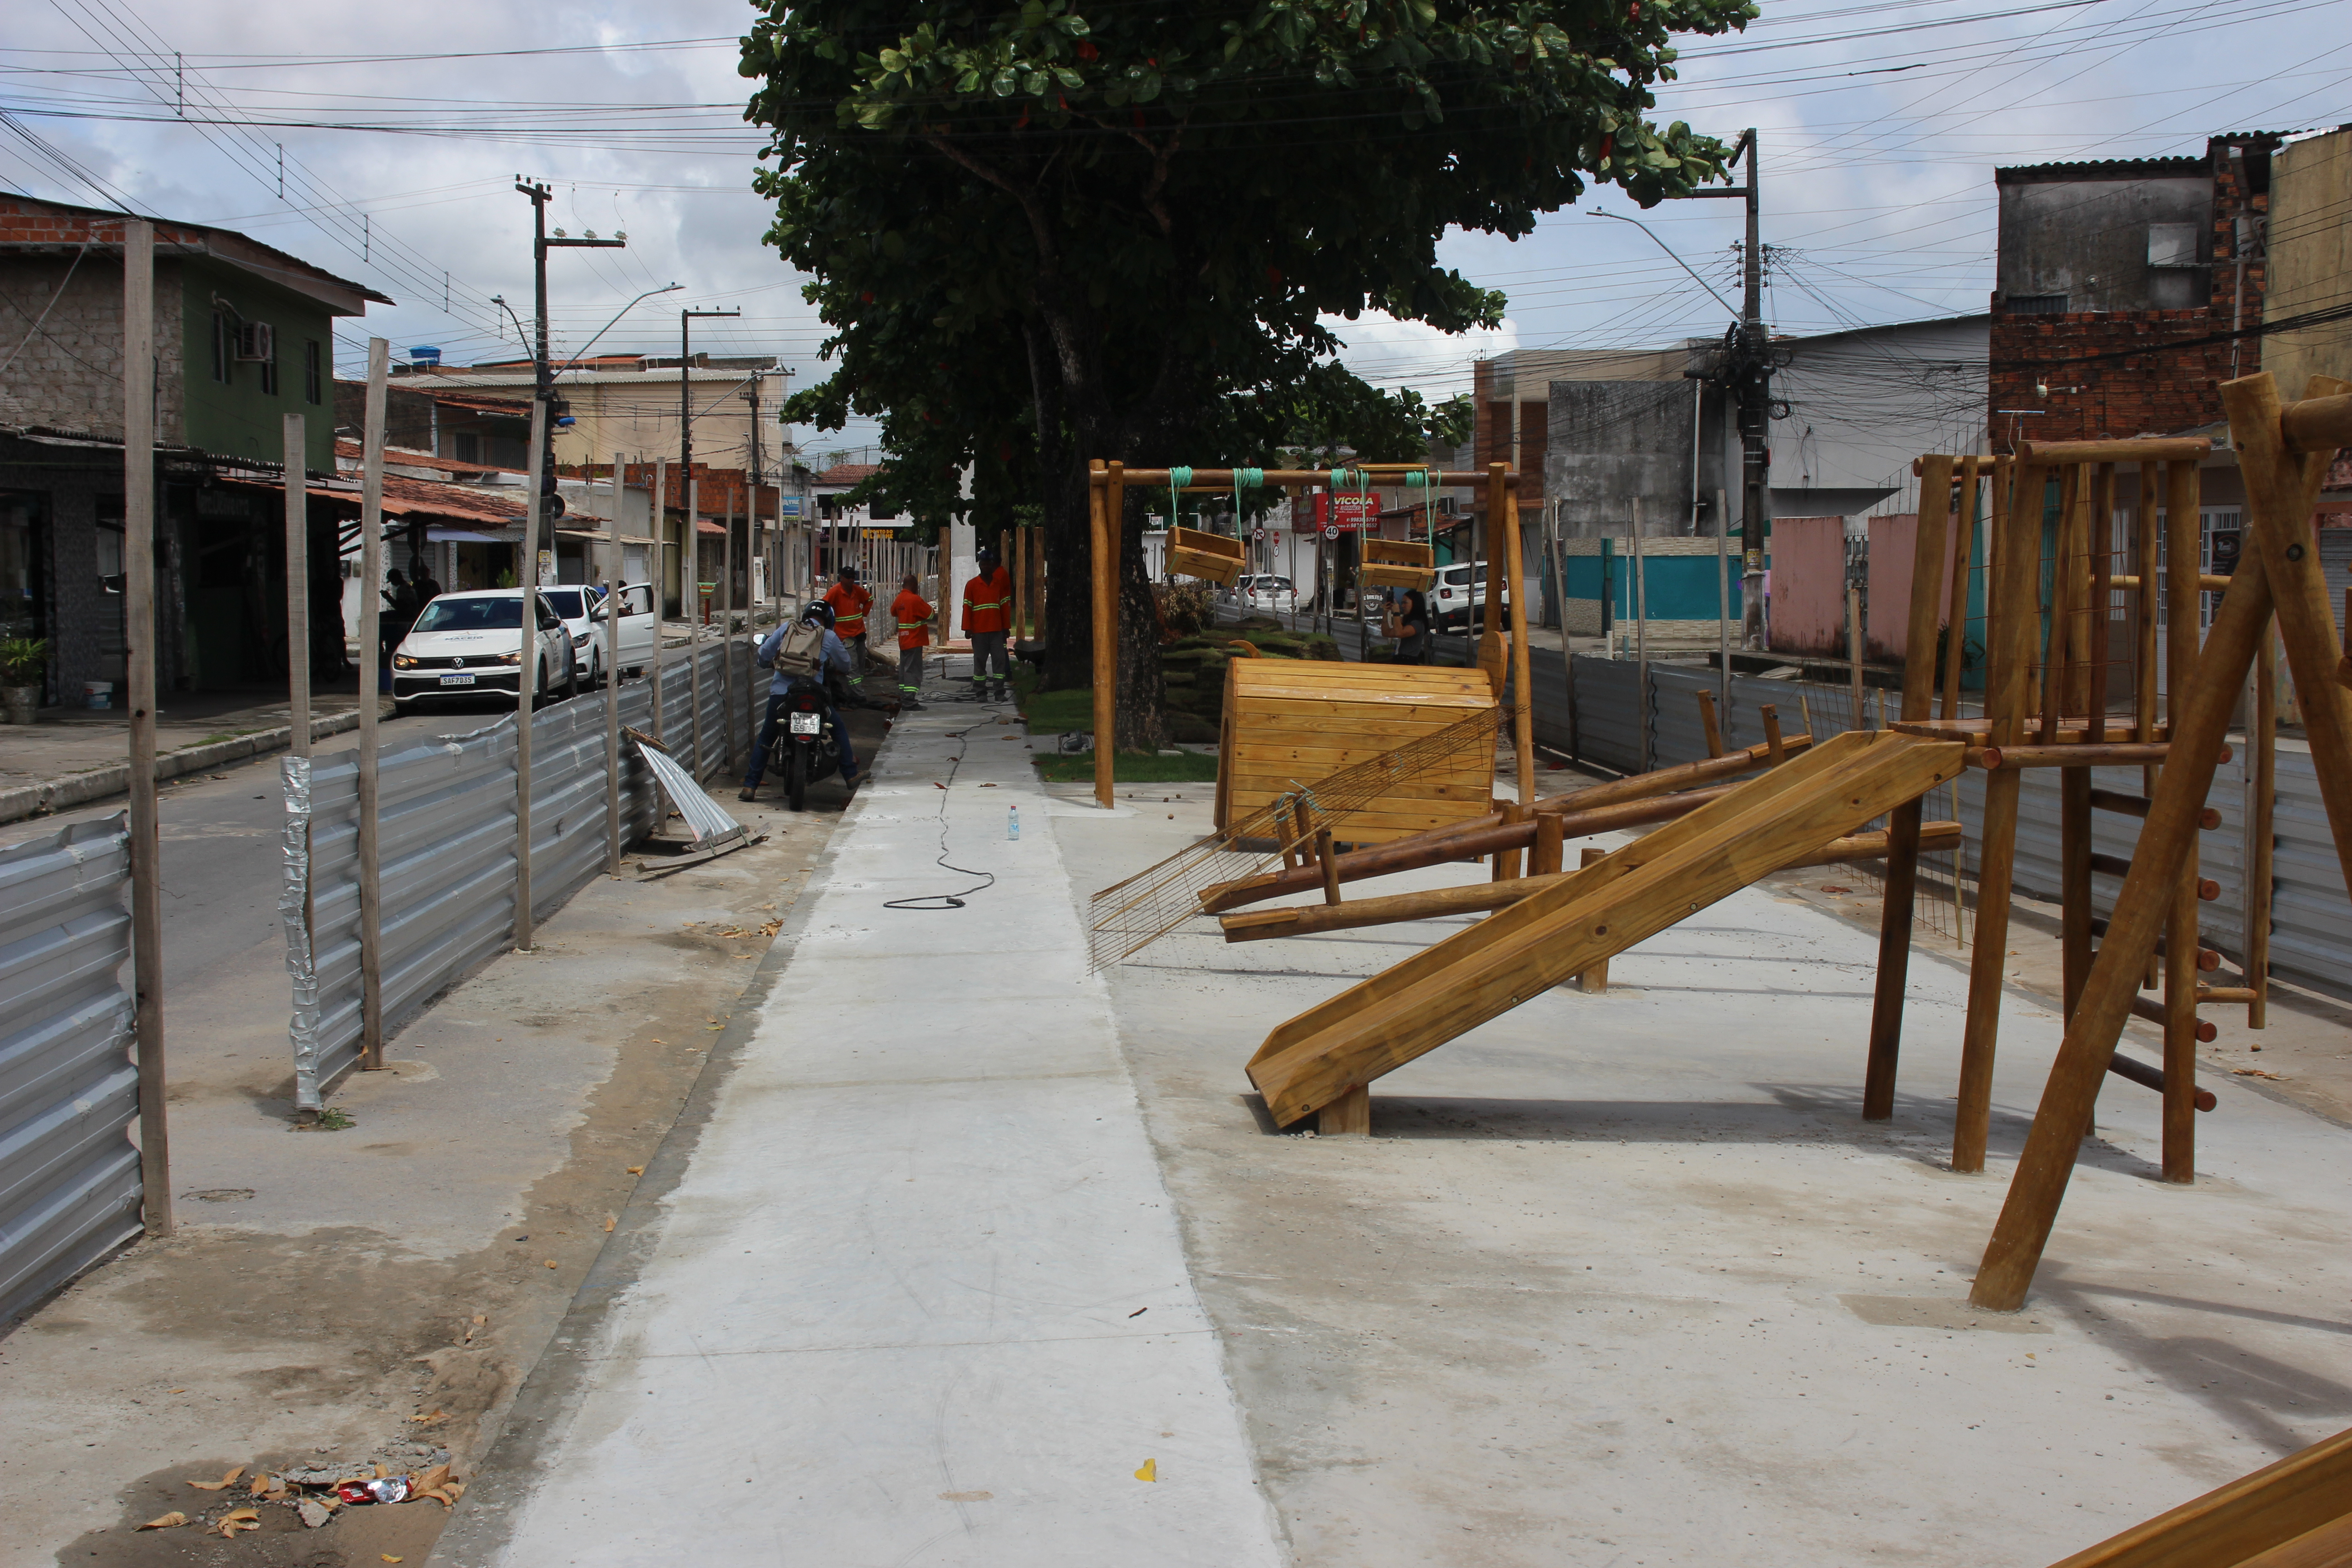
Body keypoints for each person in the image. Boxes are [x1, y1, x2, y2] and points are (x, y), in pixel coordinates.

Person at [740, 600, 859, 801]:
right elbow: (845, 664)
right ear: (829, 620)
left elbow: (764, 655)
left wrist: (767, 663)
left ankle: (750, 787)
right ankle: (850, 776)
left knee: (767, 736)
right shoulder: (828, 635)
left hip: (782, 694)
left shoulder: (788, 628)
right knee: (837, 729)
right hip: (814, 695)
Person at [961, 546, 1014, 703]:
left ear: (993, 565)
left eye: (989, 564)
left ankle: (999, 692)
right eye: (983, 564)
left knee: (999, 661)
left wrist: (1006, 627)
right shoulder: (972, 585)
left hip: (997, 630)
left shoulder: (998, 584)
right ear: (980, 565)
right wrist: (967, 628)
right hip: (979, 631)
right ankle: (981, 692)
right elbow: (967, 607)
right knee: (980, 662)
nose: (986, 566)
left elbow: (1005, 606)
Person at [821, 566, 876, 689]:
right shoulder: (835, 592)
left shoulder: (857, 591)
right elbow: (825, 606)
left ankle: (857, 686)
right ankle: (857, 693)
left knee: (861, 662)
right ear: (842, 578)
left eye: (853, 577)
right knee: (853, 664)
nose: (851, 580)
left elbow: (870, 599)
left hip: (859, 632)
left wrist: (864, 613)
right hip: (844, 635)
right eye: (848, 578)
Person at [890, 572, 932, 711]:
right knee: (913, 672)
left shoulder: (899, 598)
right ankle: (910, 701)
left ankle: (904, 698)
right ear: (914, 586)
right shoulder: (915, 600)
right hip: (914, 640)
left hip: (903, 641)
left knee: (904, 670)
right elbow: (930, 614)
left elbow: (893, 612)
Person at [1389, 587, 1433, 664]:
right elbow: (1386, 633)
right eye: (1402, 603)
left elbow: (1399, 633)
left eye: (1405, 603)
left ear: (1415, 603)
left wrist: (1397, 614)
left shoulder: (1417, 623)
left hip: (1407, 660)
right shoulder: (1407, 621)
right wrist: (1385, 613)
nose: (1403, 606)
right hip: (1399, 658)